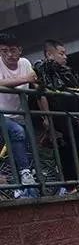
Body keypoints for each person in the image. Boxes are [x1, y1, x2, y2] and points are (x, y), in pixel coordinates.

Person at [35, 39, 79, 195]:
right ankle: (68, 186)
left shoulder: (64, 71)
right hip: (57, 118)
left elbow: (76, 88)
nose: (65, 57)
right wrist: (47, 118)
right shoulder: (40, 68)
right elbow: (41, 94)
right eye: (61, 53)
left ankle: (77, 183)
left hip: (72, 117)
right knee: (63, 152)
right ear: (50, 54)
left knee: (75, 148)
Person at [0, 32, 37, 197]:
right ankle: (24, 173)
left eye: (12, 50)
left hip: (20, 115)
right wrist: (24, 79)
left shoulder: (25, 63)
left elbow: (35, 82)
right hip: (2, 115)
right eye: (4, 51)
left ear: (20, 50)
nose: (9, 55)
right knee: (17, 132)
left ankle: (22, 188)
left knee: (27, 148)